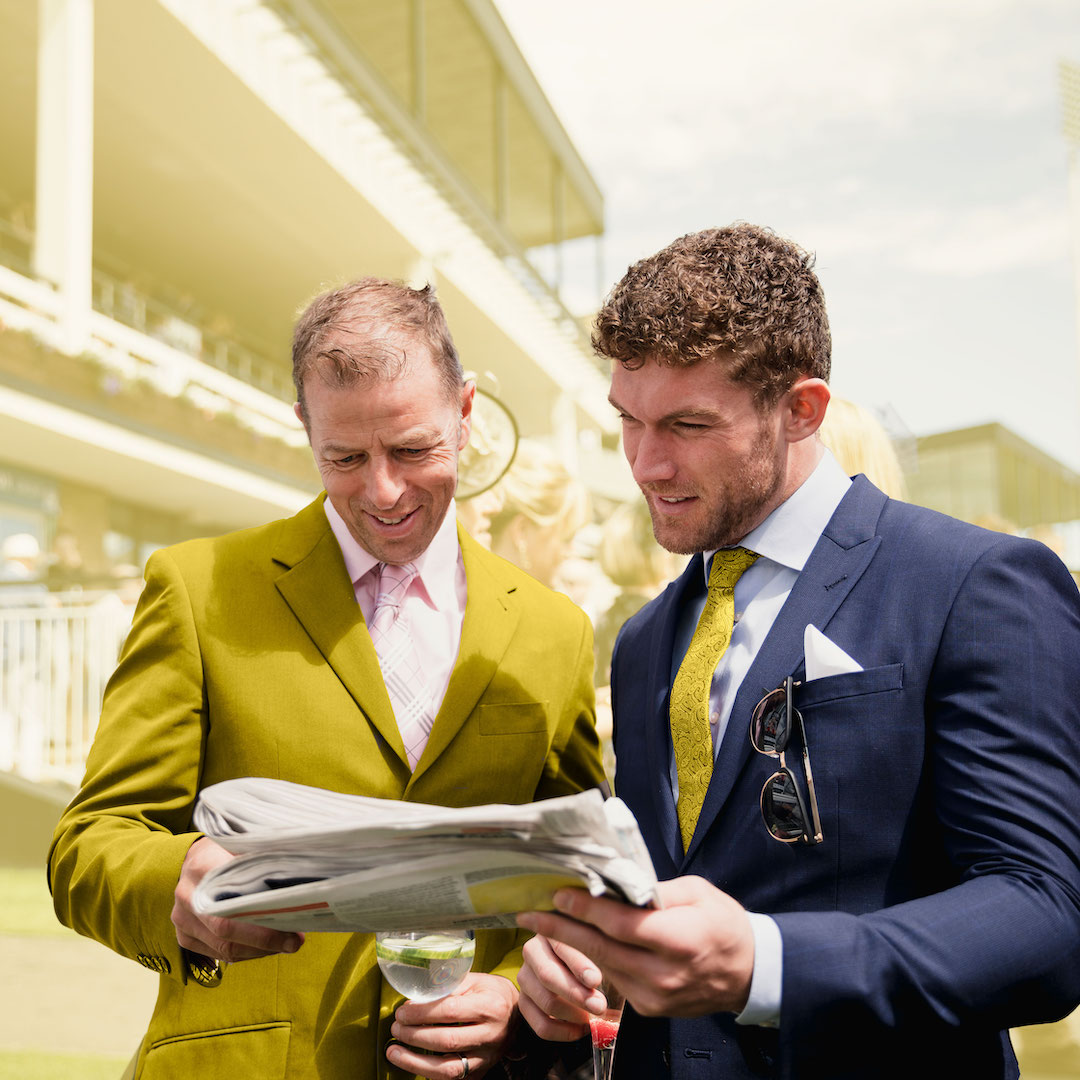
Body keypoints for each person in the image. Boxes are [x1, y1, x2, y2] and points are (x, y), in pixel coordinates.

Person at [513, 224, 1080, 1079]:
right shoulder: (640, 643)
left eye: (688, 424)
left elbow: (1044, 918)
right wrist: (592, 958)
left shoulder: (976, 583)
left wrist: (763, 964)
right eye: (627, 422)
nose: (646, 463)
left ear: (802, 409)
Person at [49, 278, 605, 1080]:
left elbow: (576, 876)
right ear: (305, 427)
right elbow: (87, 846)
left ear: (467, 411)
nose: (382, 491)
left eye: (413, 449)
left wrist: (516, 993)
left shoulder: (556, 630)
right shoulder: (198, 588)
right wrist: (177, 881)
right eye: (343, 458)